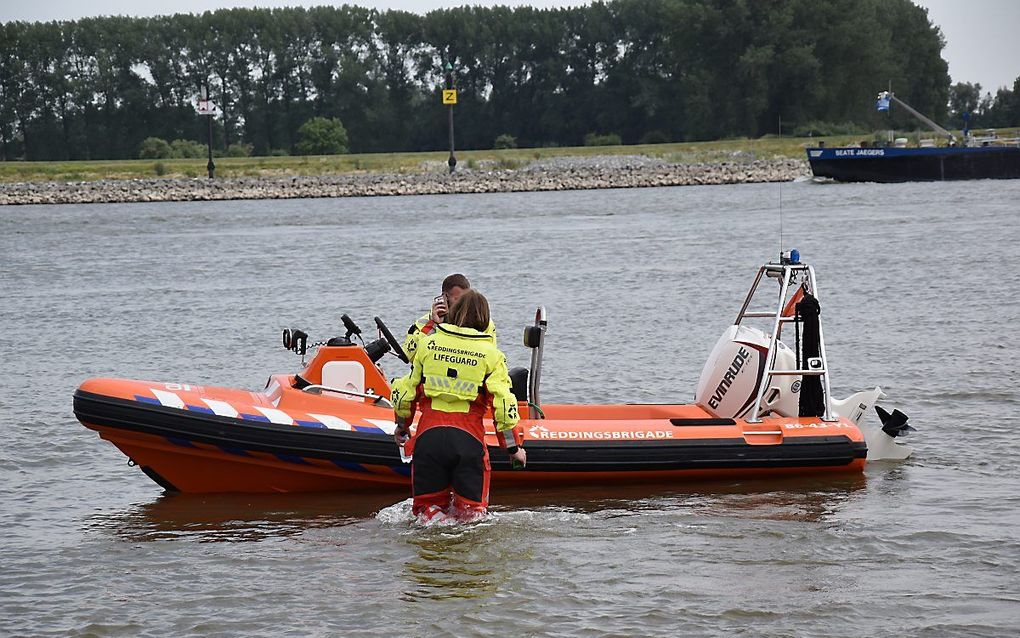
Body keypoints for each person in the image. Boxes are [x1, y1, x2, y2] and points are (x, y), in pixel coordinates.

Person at [391, 289, 525, 523]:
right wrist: (513, 449)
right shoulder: (491, 355)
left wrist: (402, 426)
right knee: (472, 518)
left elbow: (405, 392)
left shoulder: (428, 345)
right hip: (468, 442)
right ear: (485, 318)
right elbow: (503, 406)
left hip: (428, 440)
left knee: (427, 514)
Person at [402, 273, 496, 361]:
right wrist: (434, 325)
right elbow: (409, 356)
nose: (464, 303)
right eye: (459, 299)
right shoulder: (425, 323)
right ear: (444, 298)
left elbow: (491, 356)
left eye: (467, 299)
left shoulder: (483, 321)